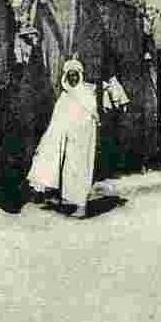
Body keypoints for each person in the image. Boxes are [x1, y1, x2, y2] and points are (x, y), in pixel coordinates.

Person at [27, 58, 102, 217]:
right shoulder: (65, 97)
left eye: (76, 75)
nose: (73, 78)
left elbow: (91, 118)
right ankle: (72, 202)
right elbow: (57, 121)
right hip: (69, 142)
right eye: (70, 75)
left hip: (82, 143)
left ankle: (82, 206)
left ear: (80, 76)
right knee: (68, 171)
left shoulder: (86, 94)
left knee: (81, 172)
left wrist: (78, 130)